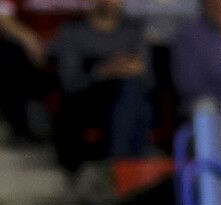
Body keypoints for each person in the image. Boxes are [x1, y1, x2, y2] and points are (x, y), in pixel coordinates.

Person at [49, 0, 152, 179]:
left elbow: (149, 80)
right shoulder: (72, 31)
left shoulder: (134, 31)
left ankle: (121, 168)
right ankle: (122, 170)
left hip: (129, 102)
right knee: (131, 97)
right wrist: (104, 70)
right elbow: (70, 83)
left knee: (132, 90)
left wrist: (133, 69)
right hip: (85, 102)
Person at [0, 0, 93, 141]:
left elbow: (105, 16)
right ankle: (20, 129)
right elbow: (0, 18)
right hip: (31, 50)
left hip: (77, 48)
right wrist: (29, 40)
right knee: (6, 54)